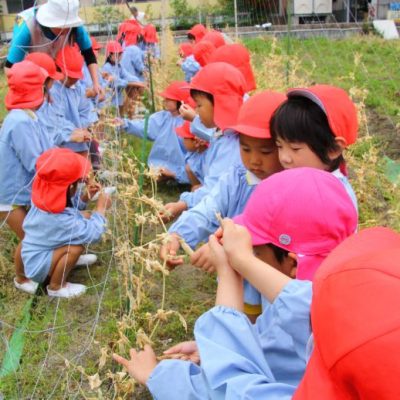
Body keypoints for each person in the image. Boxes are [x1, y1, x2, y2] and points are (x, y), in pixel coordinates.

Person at [112, 168, 358, 399]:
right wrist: (209, 349)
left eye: (255, 254)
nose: (249, 259)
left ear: (292, 263)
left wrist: (158, 376)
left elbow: (227, 390)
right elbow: (270, 344)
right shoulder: (341, 303)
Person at [15, 148, 111, 297]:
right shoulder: (60, 221)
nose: (80, 183)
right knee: (75, 247)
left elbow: (68, 206)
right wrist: (101, 208)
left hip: (33, 252)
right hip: (39, 267)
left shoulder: (42, 200)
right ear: (69, 187)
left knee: (84, 216)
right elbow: (94, 233)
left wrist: (85, 197)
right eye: (77, 183)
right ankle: (56, 286)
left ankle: (23, 277)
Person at [163, 62, 246, 220]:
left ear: (220, 103)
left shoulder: (231, 145)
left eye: (199, 105)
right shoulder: (225, 133)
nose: (197, 111)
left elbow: (215, 190)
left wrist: (183, 204)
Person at [271, 84, 358, 209]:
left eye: (295, 148)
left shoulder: (332, 200)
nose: (284, 158)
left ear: (333, 149)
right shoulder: (304, 182)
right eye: (279, 146)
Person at [0, 61, 51, 272]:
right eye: (43, 86)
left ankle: (42, 267)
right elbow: (34, 161)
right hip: (8, 196)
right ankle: (21, 278)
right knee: (30, 239)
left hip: (20, 191)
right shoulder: (20, 121)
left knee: (37, 235)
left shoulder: (28, 116)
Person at [6, 0, 103, 96]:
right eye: (62, 26)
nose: (67, 29)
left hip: (59, 70)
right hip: (35, 69)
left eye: (69, 25)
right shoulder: (26, 27)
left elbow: (89, 54)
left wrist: (95, 83)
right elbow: (10, 67)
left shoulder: (75, 26)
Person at [121, 81, 190, 184]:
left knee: (183, 172)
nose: (165, 101)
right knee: (157, 176)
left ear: (180, 101)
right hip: (159, 162)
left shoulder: (188, 122)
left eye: (169, 99)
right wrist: (125, 124)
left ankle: (177, 175)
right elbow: (144, 126)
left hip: (181, 163)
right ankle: (167, 176)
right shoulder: (163, 117)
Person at [26, 51, 91, 148]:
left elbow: (55, 120)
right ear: (43, 80)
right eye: (53, 79)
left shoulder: (42, 100)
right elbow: (45, 134)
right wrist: (69, 135)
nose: (54, 82)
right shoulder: (27, 113)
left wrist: (73, 130)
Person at [51, 45, 98, 155]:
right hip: (60, 146)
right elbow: (56, 121)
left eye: (76, 77)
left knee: (86, 167)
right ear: (59, 69)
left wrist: (82, 129)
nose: (74, 80)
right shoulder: (52, 91)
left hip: (80, 141)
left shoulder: (78, 88)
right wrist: (74, 132)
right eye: (71, 76)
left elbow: (85, 110)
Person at [103, 40, 144, 115]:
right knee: (113, 119)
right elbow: (116, 82)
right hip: (110, 100)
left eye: (120, 54)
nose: (118, 57)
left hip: (119, 99)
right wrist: (129, 83)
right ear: (109, 55)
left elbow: (127, 75)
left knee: (120, 119)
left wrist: (138, 82)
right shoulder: (107, 68)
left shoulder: (119, 66)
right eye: (116, 54)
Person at [175, 121, 209, 189]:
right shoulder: (193, 154)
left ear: (196, 141)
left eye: (185, 138)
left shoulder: (207, 159)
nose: (183, 141)